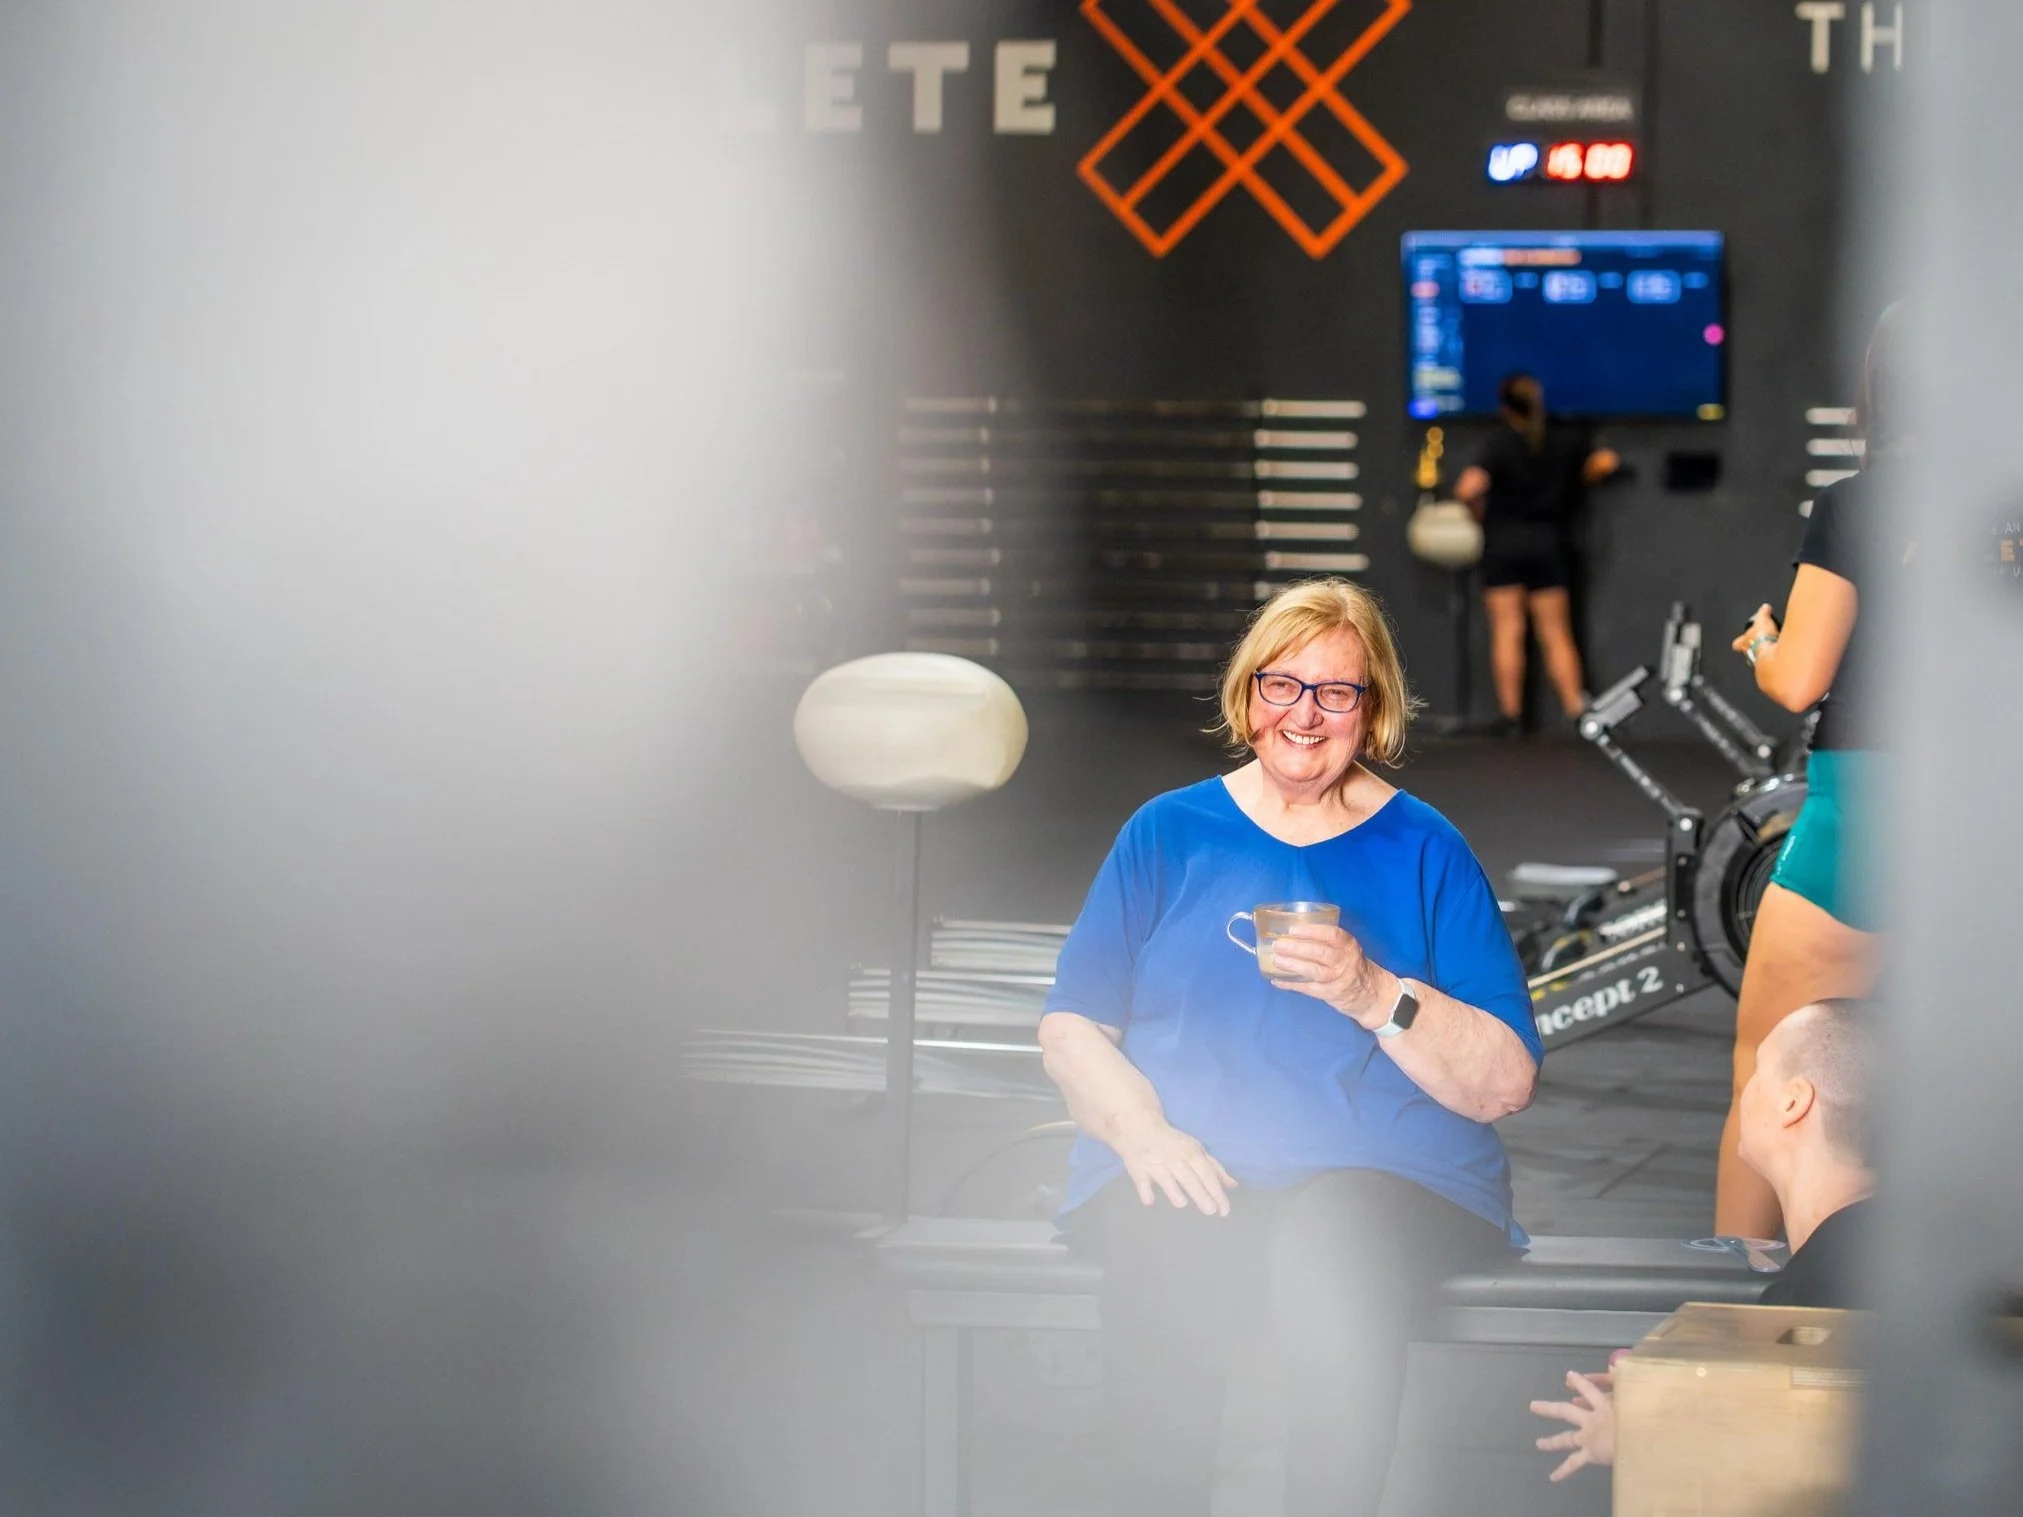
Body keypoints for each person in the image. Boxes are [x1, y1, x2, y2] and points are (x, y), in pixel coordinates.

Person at [1036, 577, 1543, 1517]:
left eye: (1337, 692)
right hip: (1190, 1154)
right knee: (1161, 1230)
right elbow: (1072, 1025)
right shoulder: (1168, 831)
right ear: (1247, 694)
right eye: (1283, 686)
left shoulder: (1426, 848)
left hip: (1385, 1171)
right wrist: (1143, 1134)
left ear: (1372, 710)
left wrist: (1372, 991)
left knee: (1331, 1244)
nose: (1304, 715)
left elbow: (1504, 1081)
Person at [1713, 305, 1909, 1236]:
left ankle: (1739, 1299)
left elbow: (1797, 682)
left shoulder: (1858, 505)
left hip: (1867, 820)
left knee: (1768, 1066)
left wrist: (1762, 643)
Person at [1531, 1000, 1877, 1481]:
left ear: (1793, 1103)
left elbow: (1818, 1463)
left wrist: (1644, 1436)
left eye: (1759, 1071)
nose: (1745, 1088)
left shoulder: (1816, 1294)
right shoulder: (1904, 1253)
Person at [1452, 373, 1621, 733]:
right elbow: (1603, 463)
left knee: (1507, 630)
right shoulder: (1560, 441)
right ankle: (1577, 709)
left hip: (1504, 544)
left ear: (1504, 406)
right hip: (1549, 544)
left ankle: (1512, 717)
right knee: (1556, 632)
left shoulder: (1498, 443)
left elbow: (1468, 488)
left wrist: (1477, 514)